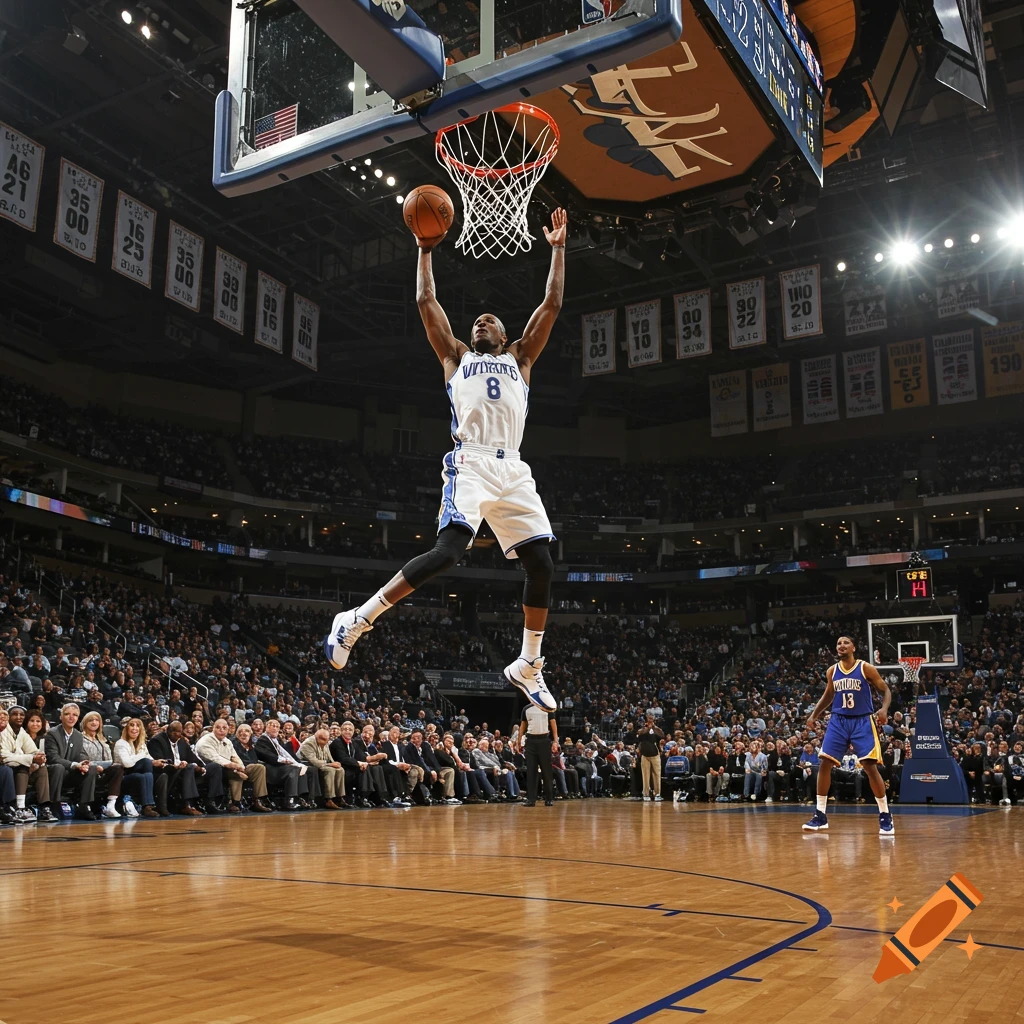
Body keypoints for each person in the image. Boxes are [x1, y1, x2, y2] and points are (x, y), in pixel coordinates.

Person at [323, 209, 568, 717]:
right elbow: (426, 300)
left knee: (542, 563)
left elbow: (551, 303)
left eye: (491, 320)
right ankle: (357, 619)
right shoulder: (456, 358)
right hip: (471, 462)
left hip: (513, 468)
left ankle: (528, 664)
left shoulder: (521, 359)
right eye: (477, 320)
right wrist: (425, 248)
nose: (482, 321)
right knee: (448, 552)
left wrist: (559, 249)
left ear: (506, 335)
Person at [804, 636, 894, 836]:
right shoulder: (832, 671)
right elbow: (828, 695)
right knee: (825, 763)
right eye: (838, 643)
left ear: (853, 647)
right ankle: (820, 815)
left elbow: (885, 690)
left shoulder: (865, 668)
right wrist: (814, 715)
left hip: (862, 720)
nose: (841, 645)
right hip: (838, 720)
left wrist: (884, 709)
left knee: (869, 766)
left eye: (845, 642)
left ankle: (885, 815)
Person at [43, 703, 124, 820]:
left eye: (75, 715)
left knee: (91, 768)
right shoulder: (52, 733)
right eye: (67, 714)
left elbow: (80, 755)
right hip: (55, 771)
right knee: (58, 767)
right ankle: (54, 804)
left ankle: (84, 805)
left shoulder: (77, 735)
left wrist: (84, 764)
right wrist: (75, 765)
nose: (71, 717)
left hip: (71, 772)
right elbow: (53, 757)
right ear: (61, 716)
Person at [0, 706, 61, 821]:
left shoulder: (21, 732)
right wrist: (31, 758)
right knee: (23, 767)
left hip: (18, 766)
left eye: (22, 715)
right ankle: (19, 808)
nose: (19, 717)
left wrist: (40, 757)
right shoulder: (3, 731)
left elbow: (33, 750)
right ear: (8, 717)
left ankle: (44, 807)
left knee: (41, 768)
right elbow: (4, 756)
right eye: (15, 714)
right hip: (8, 768)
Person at [199, 718, 271, 812]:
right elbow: (215, 758)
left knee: (259, 767)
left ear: (227, 730)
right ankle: (234, 802)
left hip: (229, 768)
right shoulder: (206, 740)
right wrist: (236, 768)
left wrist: (242, 768)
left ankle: (257, 800)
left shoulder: (227, 741)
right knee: (236, 774)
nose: (221, 730)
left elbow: (235, 757)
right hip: (212, 769)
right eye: (218, 727)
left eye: (224, 728)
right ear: (213, 728)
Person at [148, 721, 204, 816]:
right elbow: (160, 762)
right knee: (189, 768)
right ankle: (187, 805)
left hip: (181, 771)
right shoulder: (157, 741)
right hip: (166, 772)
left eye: (179, 732)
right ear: (168, 731)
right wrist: (175, 766)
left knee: (191, 768)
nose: (177, 735)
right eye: (174, 732)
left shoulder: (181, 741)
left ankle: (190, 805)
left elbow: (191, 756)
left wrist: (201, 767)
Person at [112, 718, 164, 818]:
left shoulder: (142, 744)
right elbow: (127, 763)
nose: (135, 728)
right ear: (126, 728)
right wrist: (142, 756)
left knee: (147, 775)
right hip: (123, 776)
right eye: (132, 725)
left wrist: (157, 762)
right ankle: (146, 804)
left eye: (137, 726)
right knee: (146, 764)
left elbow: (149, 758)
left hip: (138, 774)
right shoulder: (121, 743)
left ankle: (147, 806)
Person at [77, 711, 124, 817]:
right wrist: (96, 766)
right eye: (91, 720)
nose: (94, 722)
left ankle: (111, 805)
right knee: (93, 769)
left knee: (118, 768)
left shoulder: (102, 740)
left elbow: (110, 760)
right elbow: (81, 760)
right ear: (84, 723)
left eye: (97, 720)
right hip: (86, 771)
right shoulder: (79, 738)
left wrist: (104, 766)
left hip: (103, 771)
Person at [298, 729, 347, 809]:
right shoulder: (308, 744)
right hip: (308, 766)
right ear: (317, 737)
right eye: (324, 740)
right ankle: (328, 799)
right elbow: (313, 761)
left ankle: (339, 798)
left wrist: (335, 763)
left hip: (322, 764)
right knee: (330, 770)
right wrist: (330, 764)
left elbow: (329, 756)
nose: (327, 742)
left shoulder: (325, 742)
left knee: (340, 770)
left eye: (327, 739)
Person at [520, 703, 556, 806]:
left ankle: (549, 798)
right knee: (531, 771)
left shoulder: (547, 708)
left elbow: (553, 724)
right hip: (530, 740)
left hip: (544, 740)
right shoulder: (526, 708)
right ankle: (531, 799)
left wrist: (555, 741)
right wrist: (519, 741)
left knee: (546, 771)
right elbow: (523, 725)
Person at [636, 714, 664, 802]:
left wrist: (654, 727)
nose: (650, 720)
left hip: (655, 754)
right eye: (649, 718)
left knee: (657, 775)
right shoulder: (642, 729)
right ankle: (646, 794)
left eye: (652, 719)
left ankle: (657, 794)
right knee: (645, 775)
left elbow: (662, 734)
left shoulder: (656, 729)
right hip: (645, 755)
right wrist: (648, 728)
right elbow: (640, 733)